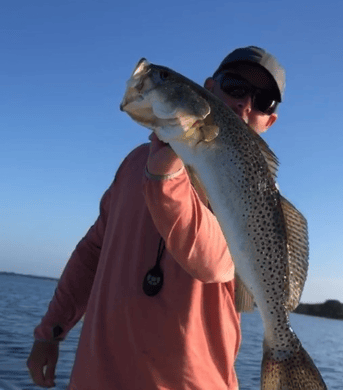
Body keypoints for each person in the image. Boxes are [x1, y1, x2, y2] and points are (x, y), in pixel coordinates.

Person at [27, 46, 286, 390]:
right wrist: (50, 332)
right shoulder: (135, 163)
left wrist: (165, 177)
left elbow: (214, 262)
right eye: (235, 86)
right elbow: (93, 252)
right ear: (208, 89)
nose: (244, 104)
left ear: (270, 121)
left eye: (264, 100)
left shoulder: (259, 195)